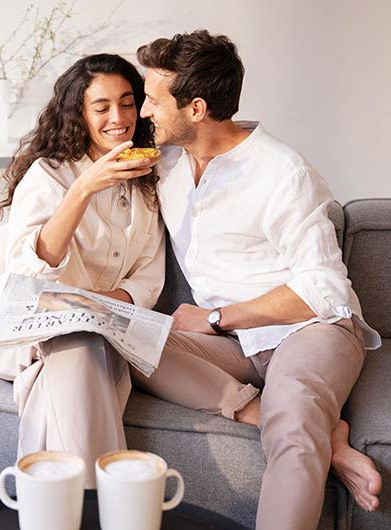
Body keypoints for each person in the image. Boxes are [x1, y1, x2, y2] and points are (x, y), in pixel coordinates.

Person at [130, 30, 383, 530]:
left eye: (153, 100)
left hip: (312, 331)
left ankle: (302, 420)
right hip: (236, 346)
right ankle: (325, 436)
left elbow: (323, 290)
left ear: (196, 108)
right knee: (123, 340)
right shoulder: (169, 175)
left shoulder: (282, 173)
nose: (142, 113)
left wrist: (218, 318)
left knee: (293, 413)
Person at [0, 54, 165, 487]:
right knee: (79, 343)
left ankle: (60, 504)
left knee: (95, 343)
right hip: (21, 323)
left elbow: (148, 277)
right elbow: (29, 273)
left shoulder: (148, 179)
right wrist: (86, 186)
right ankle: (106, 499)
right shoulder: (48, 175)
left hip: (105, 324)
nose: (119, 118)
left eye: (128, 103)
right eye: (102, 107)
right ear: (79, 113)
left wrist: (101, 309)